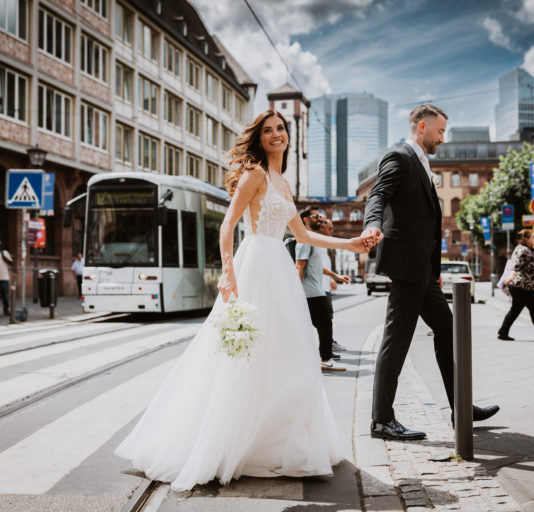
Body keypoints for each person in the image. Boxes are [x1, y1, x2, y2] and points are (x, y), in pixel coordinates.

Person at [115, 110, 374, 491]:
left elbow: (303, 234)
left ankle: (283, 442)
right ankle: (229, 441)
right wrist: (227, 271)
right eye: (268, 130)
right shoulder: (254, 175)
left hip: (281, 275)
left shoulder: (284, 184)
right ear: (259, 137)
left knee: (291, 354)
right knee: (244, 355)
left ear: (289, 136)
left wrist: (349, 243)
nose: (276, 134)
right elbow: (227, 224)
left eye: (281, 129)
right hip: (254, 266)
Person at [362, 104, 499, 441]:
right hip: (408, 266)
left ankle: (461, 406)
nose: (443, 138)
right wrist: (372, 225)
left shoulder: (423, 162)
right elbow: (378, 194)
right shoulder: (400, 156)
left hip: (423, 269)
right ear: (422, 126)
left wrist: (435, 269)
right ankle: (381, 420)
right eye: (439, 132)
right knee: (396, 341)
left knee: (448, 330)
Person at [296, 210, 346, 371]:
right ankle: (325, 358)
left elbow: (318, 266)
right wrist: (296, 292)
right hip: (311, 292)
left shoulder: (311, 240)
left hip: (316, 291)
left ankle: (319, 358)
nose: (320, 220)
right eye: (316, 217)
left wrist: (336, 276)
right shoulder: (304, 241)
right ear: (305, 220)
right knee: (325, 326)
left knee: (319, 326)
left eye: (320, 217)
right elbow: (299, 266)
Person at [497, 229, 534, 343]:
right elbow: (516, 266)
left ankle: (503, 332)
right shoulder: (523, 250)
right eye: (532, 237)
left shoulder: (526, 249)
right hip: (524, 286)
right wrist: (511, 277)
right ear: (526, 239)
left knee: (516, 310)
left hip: (524, 286)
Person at [319, 216, 350, 353]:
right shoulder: (316, 243)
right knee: (325, 319)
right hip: (319, 286)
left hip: (324, 284)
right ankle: (327, 348)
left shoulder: (323, 244)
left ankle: (328, 344)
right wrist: (336, 276)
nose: (332, 231)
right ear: (322, 228)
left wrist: (331, 279)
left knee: (326, 318)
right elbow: (316, 265)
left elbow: (323, 263)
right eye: (330, 228)